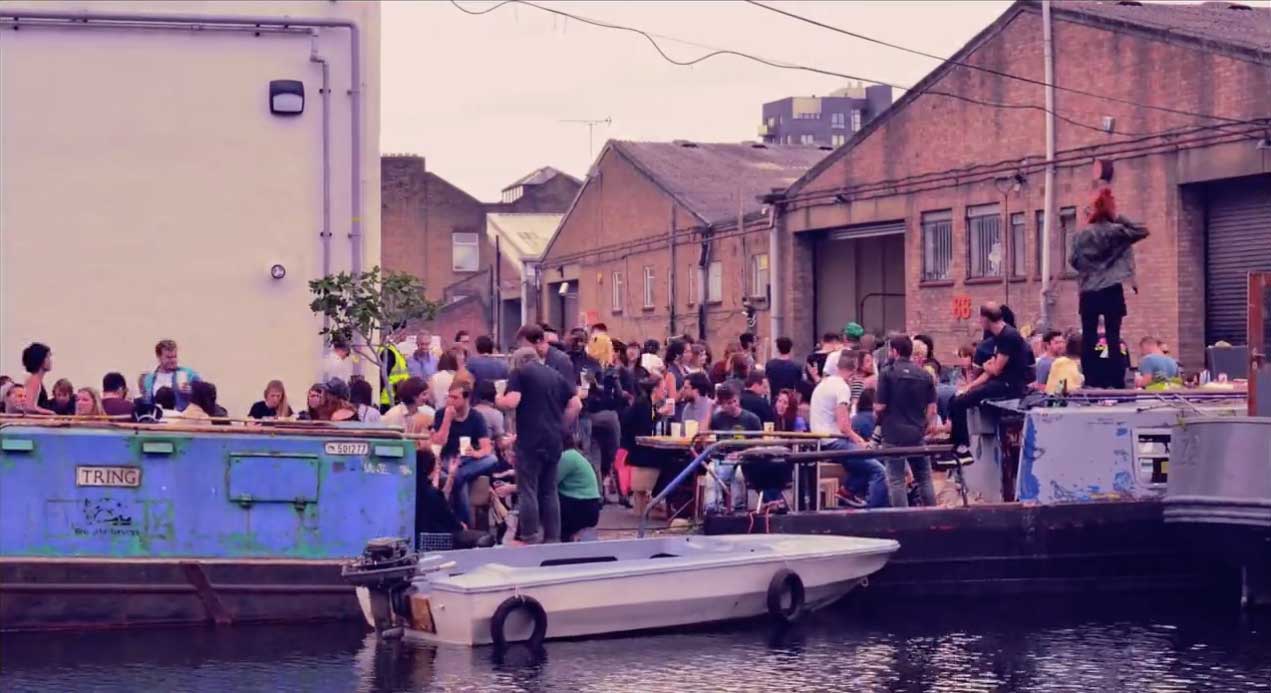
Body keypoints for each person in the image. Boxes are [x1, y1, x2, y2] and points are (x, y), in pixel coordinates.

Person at [496, 347, 582, 544]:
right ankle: (552, 537)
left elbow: (511, 402)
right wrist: (561, 425)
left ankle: (530, 536)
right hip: (553, 440)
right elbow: (576, 405)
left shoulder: (520, 373)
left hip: (530, 440)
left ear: (518, 361)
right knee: (549, 490)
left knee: (528, 489)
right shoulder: (556, 375)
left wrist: (498, 398)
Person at [1070, 187, 1149, 389]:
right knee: (1113, 336)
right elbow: (1142, 231)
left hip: (1089, 290)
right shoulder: (1117, 231)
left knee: (1089, 336)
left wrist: (1089, 267)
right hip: (1111, 288)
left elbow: (1073, 260)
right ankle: (1116, 380)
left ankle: (1091, 379)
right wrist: (1119, 217)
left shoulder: (1081, 234)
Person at [949, 303, 1031, 465]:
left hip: (1009, 386)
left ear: (985, 319)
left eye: (980, 319)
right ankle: (956, 443)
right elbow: (990, 372)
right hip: (1000, 382)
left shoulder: (1009, 336)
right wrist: (970, 386)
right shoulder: (1000, 337)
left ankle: (962, 448)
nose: (980, 322)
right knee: (956, 398)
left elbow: (996, 369)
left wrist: (987, 366)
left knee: (960, 403)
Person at [810, 351, 887, 508]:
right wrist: (860, 441)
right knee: (880, 471)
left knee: (869, 460)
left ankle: (847, 490)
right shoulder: (842, 388)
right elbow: (844, 426)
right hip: (833, 441)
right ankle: (874, 513)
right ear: (855, 368)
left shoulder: (824, 384)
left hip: (823, 440)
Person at [875, 336, 938, 508]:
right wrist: (923, 426)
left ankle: (901, 517)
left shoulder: (887, 373)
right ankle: (933, 513)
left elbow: (880, 406)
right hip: (916, 433)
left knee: (896, 480)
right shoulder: (925, 375)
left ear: (895, 351)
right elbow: (932, 409)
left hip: (893, 433)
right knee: (924, 478)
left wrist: (878, 416)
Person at [433, 382, 498, 526]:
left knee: (492, 459)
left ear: (466, 398)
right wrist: (447, 420)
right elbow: (438, 443)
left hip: (467, 459)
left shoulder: (476, 417)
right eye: (449, 397)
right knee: (461, 483)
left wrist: (476, 453)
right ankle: (466, 526)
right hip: (447, 458)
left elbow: (486, 447)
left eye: (455, 398)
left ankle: (458, 475)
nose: (450, 401)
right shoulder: (441, 414)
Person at [414, 448, 491, 550]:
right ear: (431, 469)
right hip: (441, 539)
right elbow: (450, 520)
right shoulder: (432, 493)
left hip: (419, 539)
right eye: (436, 465)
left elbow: (440, 497)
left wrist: (451, 475)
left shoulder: (414, 490)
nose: (438, 467)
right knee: (485, 536)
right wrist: (461, 526)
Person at [704, 383, 763, 513]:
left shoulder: (752, 419)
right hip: (722, 459)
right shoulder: (718, 418)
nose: (732, 405)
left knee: (738, 475)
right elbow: (702, 435)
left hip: (745, 459)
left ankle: (738, 509)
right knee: (711, 474)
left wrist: (742, 454)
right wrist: (710, 408)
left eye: (734, 401)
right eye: (727, 403)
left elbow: (758, 445)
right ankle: (712, 509)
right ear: (721, 404)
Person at [583, 333, 624, 498]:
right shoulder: (610, 370)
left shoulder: (585, 367)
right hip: (606, 416)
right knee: (612, 451)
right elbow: (618, 396)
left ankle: (598, 493)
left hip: (587, 415)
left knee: (595, 453)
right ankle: (617, 486)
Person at [621, 373, 666, 515]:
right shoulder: (643, 404)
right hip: (638, 451)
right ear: (655, 389)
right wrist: (661, 414)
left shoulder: (648, 403)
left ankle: (657, 497)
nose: (665, 392)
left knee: (672, 457)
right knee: (670, 460)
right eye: (663, 388)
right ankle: (657, 497)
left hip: (641, 448)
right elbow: (646, 429)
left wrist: (659, 414)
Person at [557, 436, 602, 541]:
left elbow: (549, 483)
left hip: (581, 507)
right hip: (588, 505)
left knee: (545, 498)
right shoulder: (575, 455)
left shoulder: (567, 456)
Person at [140, 340, 200, 412]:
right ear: (159, 357)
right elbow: (146, 402)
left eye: (175, 356)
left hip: (182, 417)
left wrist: (192, 391)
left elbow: (204, 397)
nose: (173, 360)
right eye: (169, 357)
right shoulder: (149, 379)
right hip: (157, 416)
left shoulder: (189, 375)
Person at [19, 342, 56, 414]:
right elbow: (28, 406)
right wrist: (51, 413)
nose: (50, 360)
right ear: (40, 359)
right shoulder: (34, 381)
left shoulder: (36, 380)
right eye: (48, 357)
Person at [377, 335, 410, 411]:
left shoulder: (393, 349)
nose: (405, 335)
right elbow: (382, 376)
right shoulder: (388, 352)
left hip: (395, 398)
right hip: (388, 400)